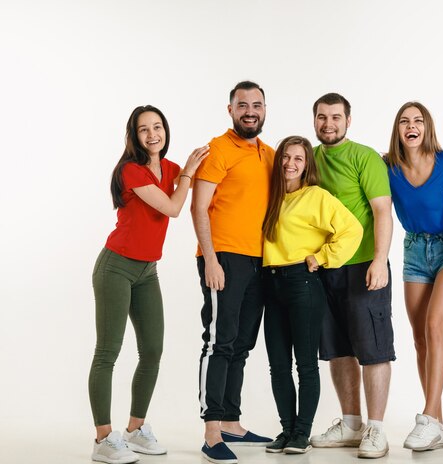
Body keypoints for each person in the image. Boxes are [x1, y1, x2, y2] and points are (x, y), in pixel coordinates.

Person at [89, 105, 209, 464]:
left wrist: (194, 168)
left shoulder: (169, 168)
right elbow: (172, 208)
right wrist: (187, 173)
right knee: (108, 352)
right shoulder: (131, 170)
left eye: (158, 127)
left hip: (147, 272)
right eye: (144, 130)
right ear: (134, 136)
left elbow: (204, 174)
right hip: (116, 267)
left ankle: (136, 430)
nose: (153, 134)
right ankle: (103, 439)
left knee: (152, 351)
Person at [261, 135, 363, 455]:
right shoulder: (273, 197)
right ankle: (287, 429)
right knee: (278, 364)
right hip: (272, 283)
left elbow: (352, 230)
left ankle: (301, 433)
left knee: (305, 364)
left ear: (307, 166)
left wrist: (322, 257)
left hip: (302, 283)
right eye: (286, 157)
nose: (290, 163)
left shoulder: (316, 196)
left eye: (298, 159)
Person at [191, 81, 274, 464]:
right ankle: (211, 432)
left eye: (257, 105)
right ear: (230, 110)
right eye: (243, 105)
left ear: (264, 109)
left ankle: (231, 421)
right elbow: (198, 206)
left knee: (242, 343)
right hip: (223, 257)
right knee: (219, 341)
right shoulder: (218, 149)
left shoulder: (269, 154)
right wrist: (210, 259)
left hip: (259, 260)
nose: (250, 111)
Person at [308, 93, 394, 459]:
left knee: (372, 348)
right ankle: (351, 423)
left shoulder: (365, 157)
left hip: (363, 265)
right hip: (325, 267)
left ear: (348, 120)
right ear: (314, 120)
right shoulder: (310, 157)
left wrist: (380, 260)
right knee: (338, 349)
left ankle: (377, 428)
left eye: (336, 117)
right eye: (322, 117)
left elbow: (382, 212)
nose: (329, 124)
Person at [386, 101, 443, 451]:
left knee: (435, 326)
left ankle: (429, 417)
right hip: (414, 251)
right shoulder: (387, 167)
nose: (411, 125)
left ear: (427, 127)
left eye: (418, 120)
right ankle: (437, 424)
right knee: (420, 338)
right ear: (398, 130)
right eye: (404, 121)